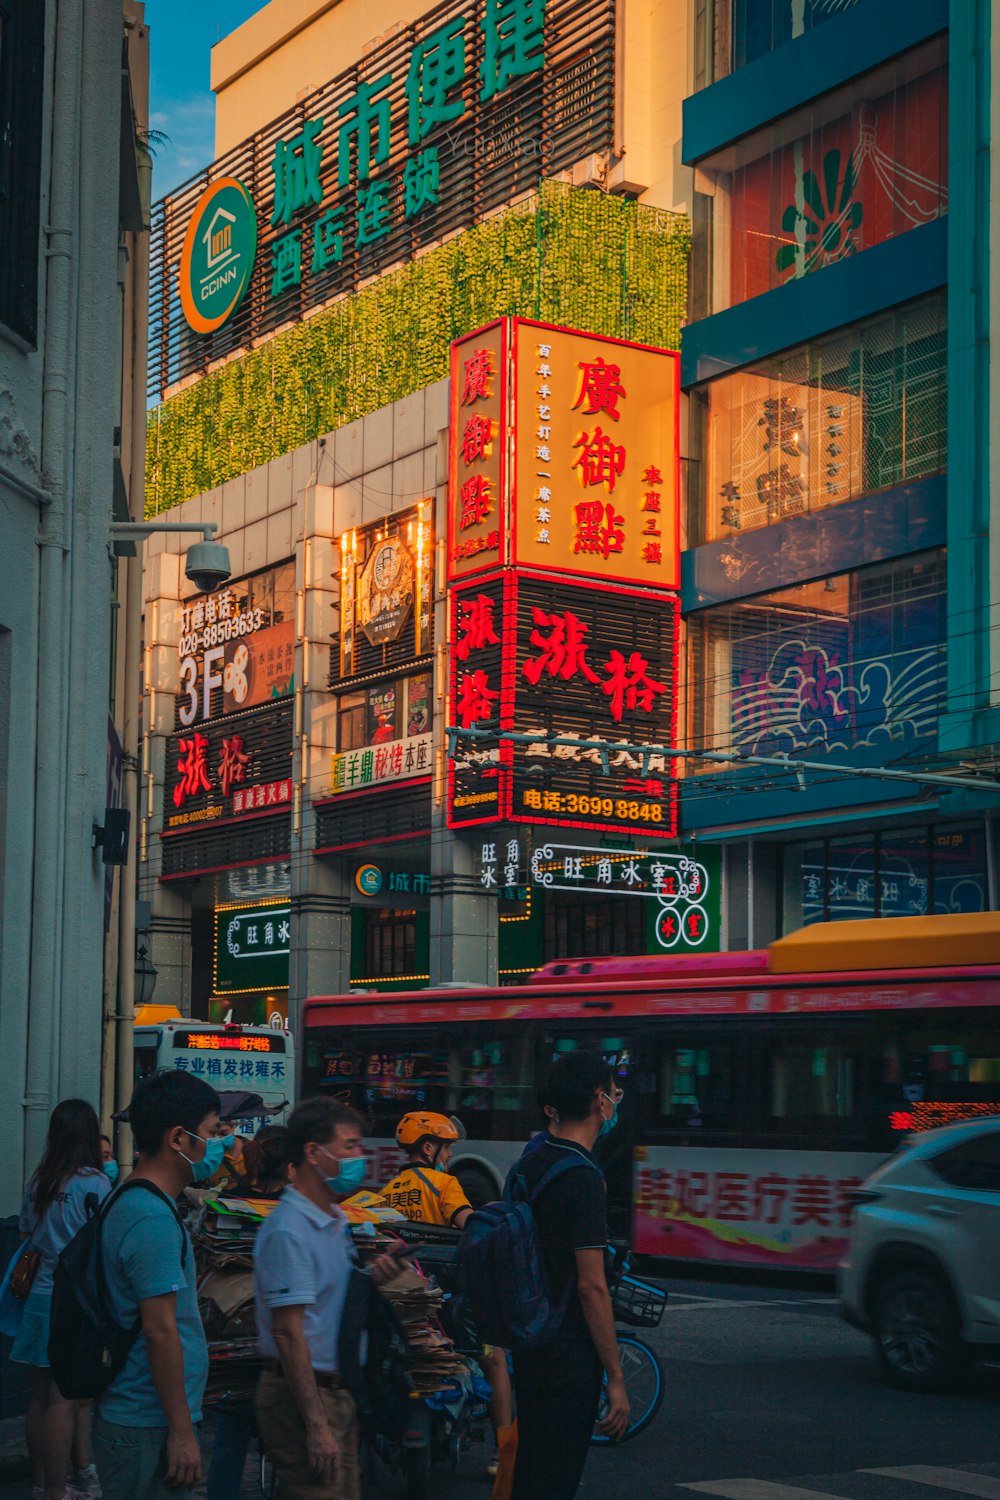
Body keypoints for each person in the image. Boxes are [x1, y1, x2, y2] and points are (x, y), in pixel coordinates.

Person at [253, 1099, 401, 1500]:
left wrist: (372, 1279)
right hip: (303, 1398)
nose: (359, 1157)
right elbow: (288, 1333)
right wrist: (316, 1425)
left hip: (337, 1392)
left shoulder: (335, 1221)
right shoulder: (290, 1230)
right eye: (349, 1146)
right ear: (313, 1153)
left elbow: (327, 1302)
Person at [93, 1071, 222, 1500]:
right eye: (209, 1133)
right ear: (177, 1139)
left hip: (142, 1418)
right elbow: (160, 1331)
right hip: (147, 1423)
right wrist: (182, 1432)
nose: (214, 1146)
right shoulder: (150, 1217)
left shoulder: (131, 1198)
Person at [508, 1051, 629, 1500]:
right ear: (600, 1102)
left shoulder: (530, 1162)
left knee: (533, 1468)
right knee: (554, 1478)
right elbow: (592, 1286)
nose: (616, 1103)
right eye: (614, 1095)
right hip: (567, 1350)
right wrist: (615, 1377)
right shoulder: (583, 1178)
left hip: (529, 1337)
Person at [380, 1113, 513, 1477]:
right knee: (496, 1360)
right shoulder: (445, 1184)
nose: (450, 1154)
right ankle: (503, 1457)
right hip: (448, 1303)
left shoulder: (387, 1191)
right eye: (448, 1146)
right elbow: (471, 1226)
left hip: (402, 1303)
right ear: (428, 1147)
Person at [12, 1099, 110, 1500]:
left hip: (37, 1294)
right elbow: (106, 1243)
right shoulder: (95, 1184)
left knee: (37, 1396)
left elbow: (24, 1238)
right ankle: (58, 1490)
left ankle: (41, 1483)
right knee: (64, 1398)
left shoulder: (39, 1181)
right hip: (75, 1302)